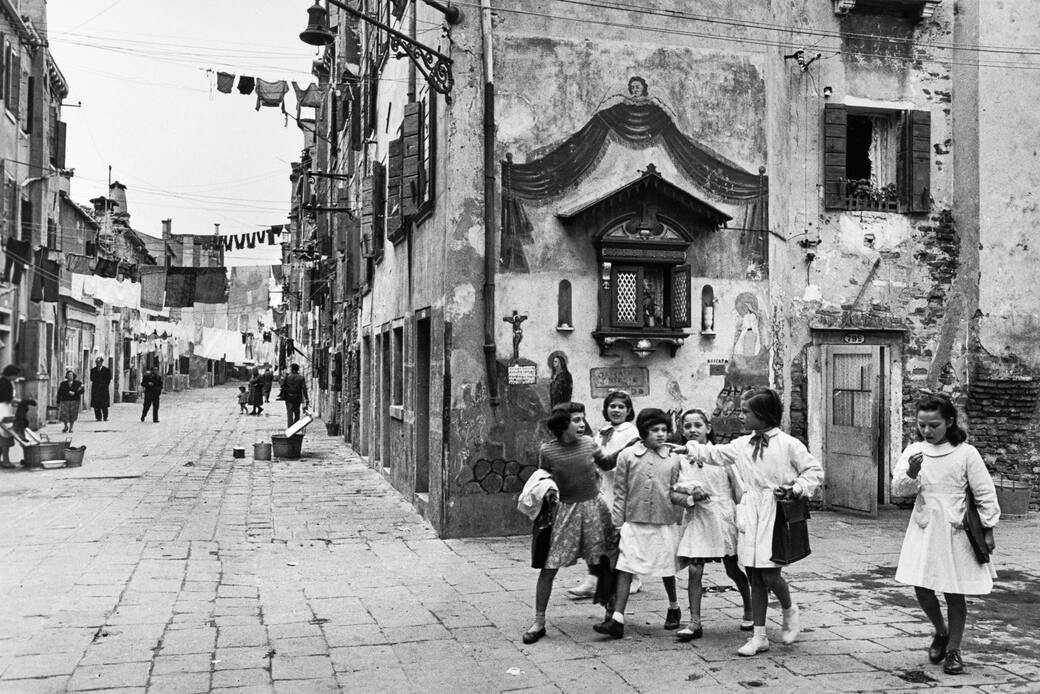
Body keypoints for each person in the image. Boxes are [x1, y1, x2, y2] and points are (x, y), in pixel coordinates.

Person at [676, 387, 823, 656]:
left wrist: (797, 487)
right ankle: (759, 636)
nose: (740, 416)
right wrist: (688, 448)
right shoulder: (742, 444)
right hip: (749, 510)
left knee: (770, 572)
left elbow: (814, 470)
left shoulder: (789, 444)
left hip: (774, 510)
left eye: (746, 412)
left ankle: (789, 609)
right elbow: (715, 454)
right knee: (754, 573)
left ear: (763, 415)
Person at [892, 394, 1000, 676]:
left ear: (949, 422)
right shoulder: (914, 451)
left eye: (934, 425)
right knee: (922, 585)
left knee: (954, 590)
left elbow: (985, 493)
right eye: (922, 425)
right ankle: (940, 630)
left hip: (956, 529)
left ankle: (954, 649)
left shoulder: (966, 453)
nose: (927, 431)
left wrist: (988, 529)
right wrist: (912, 474)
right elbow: (898, 490)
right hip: (924, 525)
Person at [522, 402, 615, 645]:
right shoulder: (548, 451)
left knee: (605, 561)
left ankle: (611, 615)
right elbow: (542, 477)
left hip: (594, 508)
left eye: (583, 419)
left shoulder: (589, 443)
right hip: (566, 513)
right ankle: (539, 621)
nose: (582, 424)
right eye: (576, 420)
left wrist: (631, 449)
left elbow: (606, 464)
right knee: (550, 566)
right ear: (563, 424)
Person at [594, 408, 684, 639]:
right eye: (655, 430)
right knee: (625, 566)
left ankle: (673, 607)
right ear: (644, 431)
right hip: (634, 520)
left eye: (664, 430)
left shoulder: (674, 457)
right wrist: (617, 522)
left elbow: (677, 488)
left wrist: (678, 517)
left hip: (664, 521)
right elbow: (620, 491)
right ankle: (617, 618)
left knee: (666, 566)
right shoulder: (627, 456)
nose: (661, 435)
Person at [671, 408, 754, 640]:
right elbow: (674, 486)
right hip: (698, 516)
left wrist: (742, 518)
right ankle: (695, 622)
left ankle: (750, 609)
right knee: (695, 568)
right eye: (687, 426)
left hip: (721, 516)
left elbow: (738, 489)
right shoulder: (679, 459)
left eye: (698, 425)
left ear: (708, 428)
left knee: (732, 568)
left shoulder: (722, 456)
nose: (692, 430)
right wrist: (690, 493)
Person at [568, 390, 642, 599]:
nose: (616, 410)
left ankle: (633, 577)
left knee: (622, 535)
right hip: (601, 488)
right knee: (596, 535)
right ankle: (594, 578)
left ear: (628, 411)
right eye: (612, 406)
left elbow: (615, 462)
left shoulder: (631, 433)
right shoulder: (603, 431)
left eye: (621, 407)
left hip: (621, 488)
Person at [0, 364, 21, 468]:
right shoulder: (4, 384)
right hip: (2, 411)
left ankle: (2, 459)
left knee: (4, 436)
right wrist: (20, 401)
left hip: (6, 409)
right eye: (15, 375)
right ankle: (6, 461)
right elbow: (6, 397)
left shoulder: (7, 382)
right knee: (5, 437)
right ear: (10, 375)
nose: (16, 378)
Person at [89, 357, 112, 422]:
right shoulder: (93, 370)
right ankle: (98, 417)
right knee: (96, 404)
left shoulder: (106, 370)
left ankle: (105, 417)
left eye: (98, 362)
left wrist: (104, 385)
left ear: (101, 362)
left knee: (104, 405)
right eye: (96, 362)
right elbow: (92, 378)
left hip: (103, 390)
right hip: (96, 389)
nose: (97, 363)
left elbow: (108, 379)